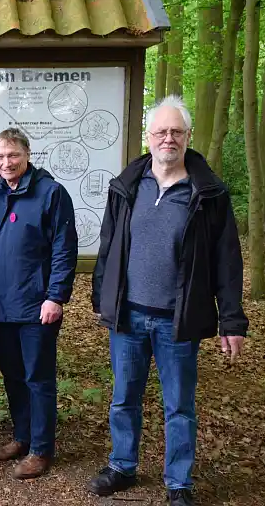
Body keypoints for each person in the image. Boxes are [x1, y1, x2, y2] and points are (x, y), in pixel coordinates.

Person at [88, 95, 248, 506]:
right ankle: (122, 466)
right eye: (160, 131)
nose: (168, 138)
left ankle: (178, 483)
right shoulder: (128, 186)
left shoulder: (208, 192)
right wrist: (101, 297)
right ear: (148, 136)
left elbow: (227, 260)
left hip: (178, 319)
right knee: (124, 398)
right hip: (128, 315)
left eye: (176, 131)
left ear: (188, 136)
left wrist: (232, 321)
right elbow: (109, 246)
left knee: (179, 406)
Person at [0, 127, 78, 479]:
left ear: (27, 154)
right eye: (1, 156)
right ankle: (22, 436)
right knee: (13, 375)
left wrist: (56, 296)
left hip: (38, 307)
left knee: (39, 378)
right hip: (1, 306)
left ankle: (41, 448)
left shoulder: (51, 193)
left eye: (13, 155)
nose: (7, 162)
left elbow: (65, 249)